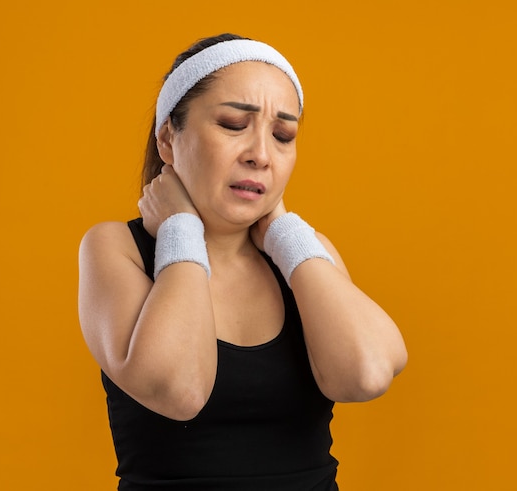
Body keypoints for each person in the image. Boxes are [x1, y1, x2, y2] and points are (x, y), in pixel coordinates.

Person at [78, 33, 408, 490]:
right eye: (234, 124)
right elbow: (181, 389)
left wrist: (287, 234)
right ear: (169, 138)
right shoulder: (115, 248)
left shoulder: (306, 256)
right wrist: (180, 230)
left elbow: (367, 374)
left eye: (283, 135)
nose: (261, 155)